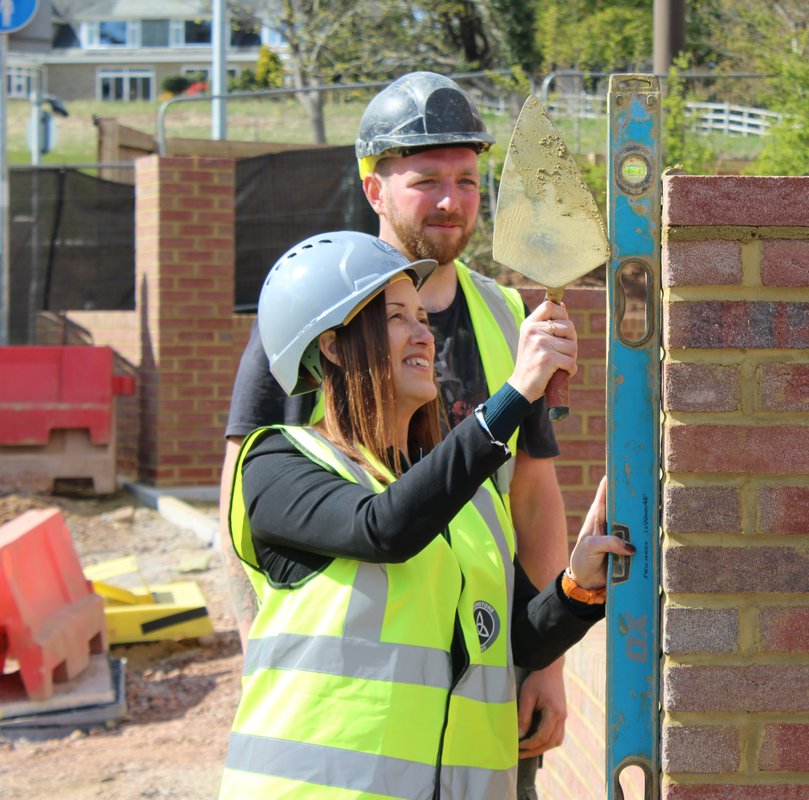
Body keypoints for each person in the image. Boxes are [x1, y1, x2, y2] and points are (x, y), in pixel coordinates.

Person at [218, 72, 573, 797]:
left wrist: (549, 658)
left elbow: (532, 500)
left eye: (468, 181)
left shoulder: (508, 317)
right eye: (427, 179)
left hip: (476, 685)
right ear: (375, 189)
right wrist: (259, 643)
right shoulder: (311, 311)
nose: (451, 201)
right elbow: (262, 504)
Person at [219, 231, 629, 799]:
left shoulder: (468, 499)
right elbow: (382, 527)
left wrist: (577, 587)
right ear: (334, 347)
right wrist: (514, 394)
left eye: (422, 316)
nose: (423, 334)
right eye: (396, 317)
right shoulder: (279, 463)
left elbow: (512, 643)